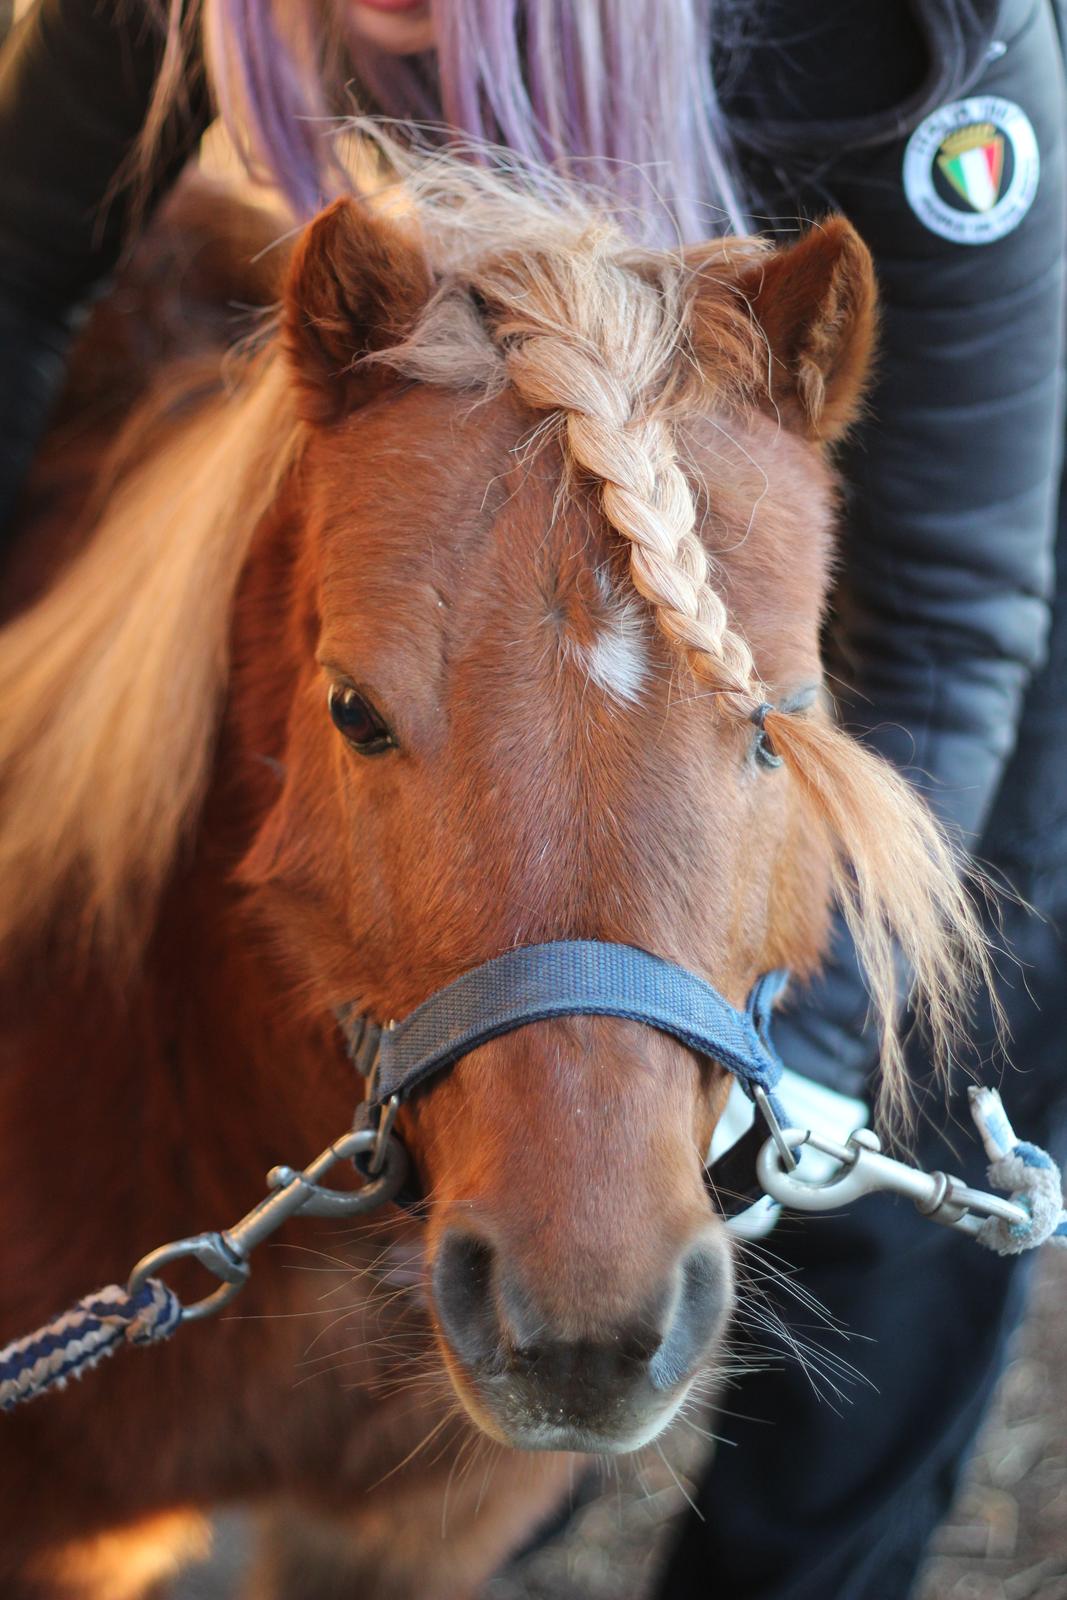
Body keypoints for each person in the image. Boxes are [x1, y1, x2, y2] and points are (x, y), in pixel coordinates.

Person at [1, 4, 1065, 1597]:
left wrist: (807, 1075)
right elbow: (21, 270)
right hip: (480, 525)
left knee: (921, 1146)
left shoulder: (904, 45)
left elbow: (959, 598)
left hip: (855, 572)